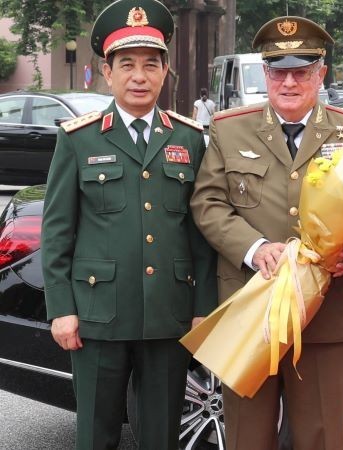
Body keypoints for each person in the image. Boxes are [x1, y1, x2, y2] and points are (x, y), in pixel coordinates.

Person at [190, 15, 343, 450]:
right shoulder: (230, 129)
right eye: (278, 71)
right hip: (250, 309)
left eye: (301, 71)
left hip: (328, 318)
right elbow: (207, 204)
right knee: (247, 438)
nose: (289, 82)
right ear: (265, 74)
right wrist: (254, 247)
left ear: (320, 74)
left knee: (321, 438)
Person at [40, 0, 217, 448]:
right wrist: (62, 309)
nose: (139, 76)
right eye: (128, 65)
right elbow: (57, 231)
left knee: (161, 435)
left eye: (150, 65)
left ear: (164, 72)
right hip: (98, 314)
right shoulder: (78, 139)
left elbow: (200, 231)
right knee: (96, 434)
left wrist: (203, 307)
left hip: (169, 316)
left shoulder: (190, 139)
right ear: (107, 72)